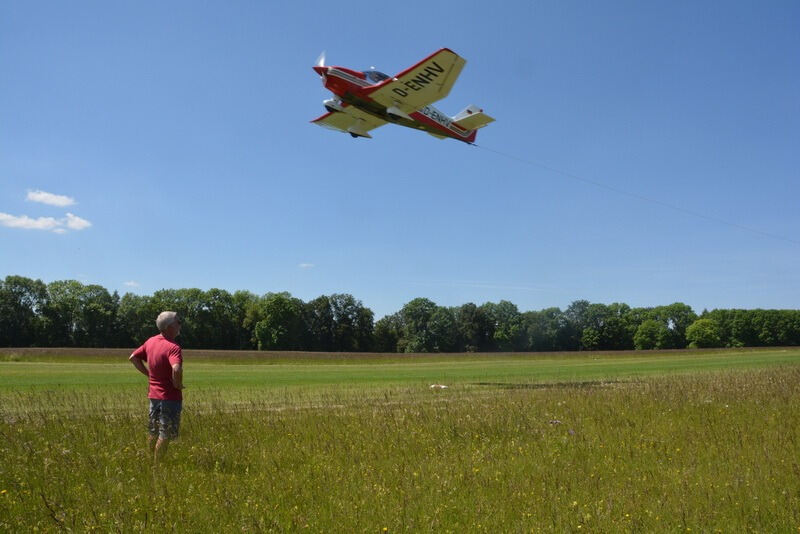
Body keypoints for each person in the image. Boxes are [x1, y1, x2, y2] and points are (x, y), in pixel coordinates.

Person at [129, 311, 184, 465]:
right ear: (169, 327)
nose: (180, 324)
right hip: (170, 398)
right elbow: (176, 368)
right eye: (177, 322)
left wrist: (149, 375)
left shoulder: (150, 342)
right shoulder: (173, 347)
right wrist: (177, 384)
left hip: (153, 396)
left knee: (153, 431)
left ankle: (149, 460)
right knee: (165, 434)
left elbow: (133, 358)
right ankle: (157, 466)